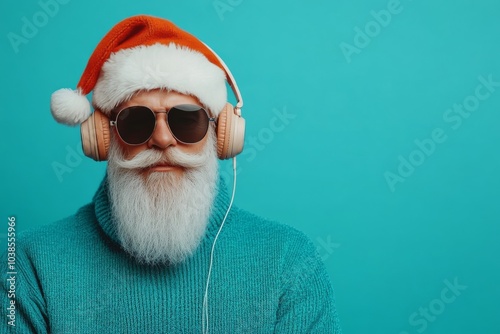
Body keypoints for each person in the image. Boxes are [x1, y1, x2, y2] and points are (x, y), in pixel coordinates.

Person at [1, 15, 342, 333]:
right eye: (136, 121)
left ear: (220, 134)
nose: (162, 139)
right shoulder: (27, 265)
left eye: (186, 120)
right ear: (103, 138)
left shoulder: (290, 262)